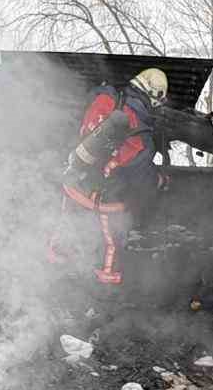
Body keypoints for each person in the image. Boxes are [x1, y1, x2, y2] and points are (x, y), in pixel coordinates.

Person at [47, 68, 170, 286]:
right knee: (110, 248)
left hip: (74, 184)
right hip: (104, 201)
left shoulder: (105, 98)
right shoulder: (141, 138)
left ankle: (54, 275)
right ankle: (103, 290)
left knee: (66, 231)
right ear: (154, 98)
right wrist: (159, 181)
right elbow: (141, 181)